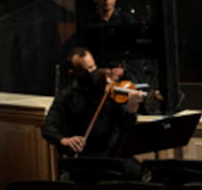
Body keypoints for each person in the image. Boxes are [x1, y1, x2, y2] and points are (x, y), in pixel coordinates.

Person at [41, 48, 143, 178]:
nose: (93, 73)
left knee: (143, 174)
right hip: (85, 160)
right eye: (86, 70)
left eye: (93, 67)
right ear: (73, 72)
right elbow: (47, 127)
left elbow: (125, 125)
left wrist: (132, 107)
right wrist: (64, 141)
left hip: (113, 156)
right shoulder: (66, 96)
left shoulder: (109, 90)